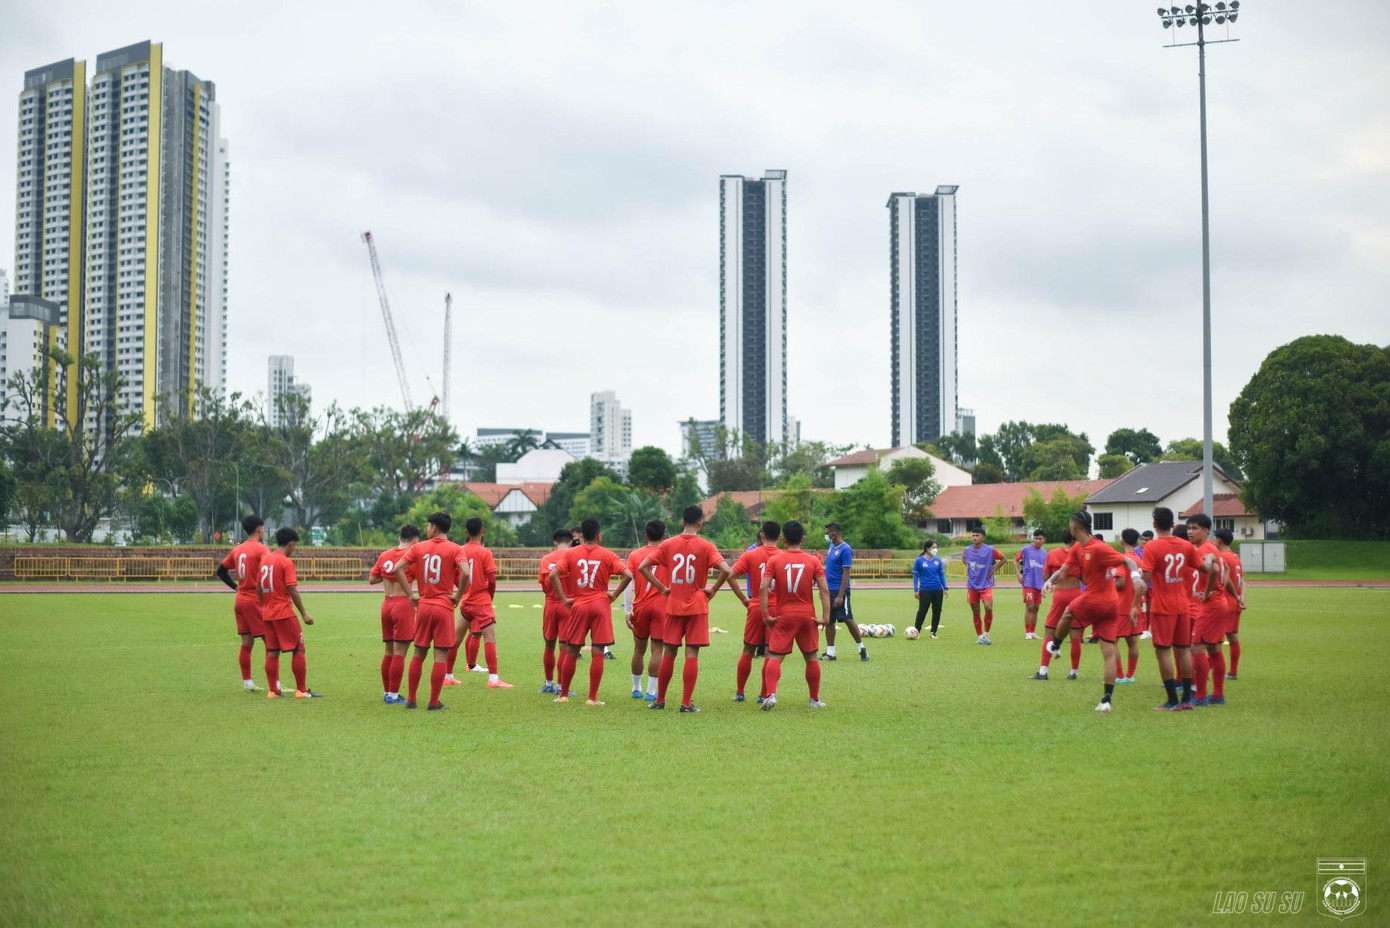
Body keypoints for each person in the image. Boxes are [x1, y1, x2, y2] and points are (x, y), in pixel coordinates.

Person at [639, 505, 734, 711]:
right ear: (700, 523)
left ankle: (660, 700)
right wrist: (713, 589)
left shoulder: (668, 544)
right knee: (691, 653)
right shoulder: (706, 546)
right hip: (697, 604)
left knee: (669, 653)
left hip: (674, 603)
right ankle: (686, 702)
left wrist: (662, 588)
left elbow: (642, 566)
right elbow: (726, 570)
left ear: (682, 522)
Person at [1041, 511, 1136, 713]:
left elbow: (1128, 561)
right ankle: (1106, 699)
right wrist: (1049, 581)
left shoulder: (1099, 547)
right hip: (1112, 605)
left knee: (1068, 613)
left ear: (1074, 526)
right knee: (1109, 651)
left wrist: (1136, 577)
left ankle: (1055, 646)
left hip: (1095, 600)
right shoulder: (1078, 547)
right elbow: (1063, 571)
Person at [549, 518, 632, 706]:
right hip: (600, 604)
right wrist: (615, 595)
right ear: (599, 536)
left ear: (581, 536)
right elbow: (628, 575)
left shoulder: (571, 553)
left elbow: (553, 574)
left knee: (571, 650)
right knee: (598, 651)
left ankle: (563, 695)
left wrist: (564, 599)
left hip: (579, 604)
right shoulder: (607, 554)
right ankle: (592, 698)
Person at [393, 511, 470, 710]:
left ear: (434, 527)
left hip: (424, 606)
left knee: (418, 654)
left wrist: (411, 595)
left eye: (428, 526)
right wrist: (458, 596)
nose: (427, 529)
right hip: (444, 607)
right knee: (440, 656)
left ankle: (411, 699)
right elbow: (466, 573)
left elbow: (397, 568)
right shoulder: (455, 548)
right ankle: (434, 702)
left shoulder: (418, 548)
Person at [759, 520, 832, 710]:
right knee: (811, 657)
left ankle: (771, 695)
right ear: (803, 539)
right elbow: (824, 589)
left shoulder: (775, 560)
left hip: (784, 616)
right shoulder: (813, 561)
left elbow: (763, 587)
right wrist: (826, 617)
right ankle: (814, 700)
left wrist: (765, 614)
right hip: (808, 616)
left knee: (775, 656)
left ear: (783, 539)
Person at [1139, 507, 1198, 710]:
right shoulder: (1186, 545)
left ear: (1154, 525)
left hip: (1162, 607)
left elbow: (1146, 577)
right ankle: (1187, 699)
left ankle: (1173, 700)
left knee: (1163, 652)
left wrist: (1135, 599)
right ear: (1173, 524)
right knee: (1183, 651)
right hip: (1183, 605)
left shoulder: (1152, 547)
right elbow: (1203, 567)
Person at [445, 517, 510, 689]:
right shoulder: (485, 552)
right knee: (490, 639)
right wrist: (490, 595)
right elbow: (492, 579)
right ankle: (494, 679)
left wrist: (463, 590)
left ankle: (448, 675)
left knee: (456, 640)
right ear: (482, 531)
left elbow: (454, 575)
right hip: (482, 602)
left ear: (466, 532)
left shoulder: (460, 550)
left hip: (466, 602)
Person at [258, 527, 322, 699]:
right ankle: (301, 690)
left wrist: (265, 605)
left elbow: (258, 588)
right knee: (299, 648)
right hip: (284, 612)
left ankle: (273, 691)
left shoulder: (265, 560)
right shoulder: (286, 562)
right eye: (295, 546)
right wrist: (304, 613)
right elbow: (292, 589)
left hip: (268, 613)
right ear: (291, 544)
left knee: (272, 651)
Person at [728, 521, 782, 702]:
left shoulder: (751, 554)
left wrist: (744, 599)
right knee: (770, 652)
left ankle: (740, 693)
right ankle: (763, 694)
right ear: (780, 537)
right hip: (776, 609)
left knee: (748, 650)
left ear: (762, 536)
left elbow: (731, 576)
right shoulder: (783, 556)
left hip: (756, 606)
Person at [216, 515, 270, 692]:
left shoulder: (237, 549)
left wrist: (235, 587)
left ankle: (247, 682)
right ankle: (274, 684)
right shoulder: (262, 549)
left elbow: (221, 571)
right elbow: (268, 574)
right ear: (259, 529)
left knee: (247, 642)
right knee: (270, 641)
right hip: (254, 600)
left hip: (240, 600)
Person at [368, 524, 420, 704]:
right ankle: (393, 695)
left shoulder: (385, 555)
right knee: (400, 652)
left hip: (387, 604)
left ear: (400, 538)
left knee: (389, 651)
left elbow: (372, 579)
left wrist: (388, 576)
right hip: (403, 604)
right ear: (415, 541)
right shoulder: (411, 558)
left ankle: (387, 692)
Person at [623, 519, 669, 701]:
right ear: (664, 535)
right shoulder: (669, 553)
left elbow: (628, 583)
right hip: (662, 607)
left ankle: (636, 688)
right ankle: (651, 691)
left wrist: (627, 610)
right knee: (657, 650)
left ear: (645, 536)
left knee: (639, 649)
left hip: (640, 606)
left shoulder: (635, 555)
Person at [1186, 513, 1228, 706]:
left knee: (1196, 648)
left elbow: (1215, 570)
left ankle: (1200, 696)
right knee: (1214, 648)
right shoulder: (1212, 547)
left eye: (1195, 528)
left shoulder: (1204, 549)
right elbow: (1224, 569)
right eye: (1189, 528)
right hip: (1220, 602)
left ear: (1205, 531)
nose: (1190, 532)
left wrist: (1208, 591)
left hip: (1211, 604)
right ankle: (1217, 695)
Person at [1030, 530, 1083, 680]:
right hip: (1076, 594)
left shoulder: (1053, 553)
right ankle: (1073, 672)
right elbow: (1085, 577)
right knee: (1075, 634)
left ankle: (1043, 671)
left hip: (1060, 595)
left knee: (1049, 631)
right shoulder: (1080, 553)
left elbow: (1045, 576)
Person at [820, 523, 867, 662]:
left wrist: (840, 595)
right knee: (829, 621)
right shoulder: (831, 546)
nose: (825, 535)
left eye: (826, 533)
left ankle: (862, 649)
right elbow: (829, 568)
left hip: (840, 590)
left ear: (833, 534)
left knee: (847, 619)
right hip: (829, 589)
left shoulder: (845, 549)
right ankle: (831, 653)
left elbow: (846, 573)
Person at [537, 528, 575, 694]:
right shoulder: (574, 557)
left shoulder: (545, 559)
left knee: (549, 644)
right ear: (571, 541)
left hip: (550, 605)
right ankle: (561, 687)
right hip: (568, 604)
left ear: (554, 542)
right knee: (564, 646)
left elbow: (543, 585)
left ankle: (548, 683)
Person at [962, 529, 1006, 644]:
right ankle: (980, 636)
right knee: (976, 611)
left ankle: (986, 633)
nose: (974, 537)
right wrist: (970, 567)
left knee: (988, 607)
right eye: (973, 535)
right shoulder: (967, 550)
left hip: (985, 584)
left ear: (983, 538)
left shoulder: (990, 550)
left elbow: (1003, 559)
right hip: (972, 585)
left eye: (977, 535)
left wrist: (993, 569)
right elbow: (964, 559)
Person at [1114, 528, 1145, 685]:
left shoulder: (1123, 559)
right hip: (1135, 605)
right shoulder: (1139, 560)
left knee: (1112, 641)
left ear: (1122, 541)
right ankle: (1130, 675)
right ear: (1137, 541)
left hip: (1122, 607)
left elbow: (1120, 583)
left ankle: (1119, 675)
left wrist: (1108, 587)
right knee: (1132, 642)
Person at [1215, 528, 1246, 680]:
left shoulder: (1222, 557)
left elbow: (1225, 581)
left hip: (1226, 603)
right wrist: (1241, 598)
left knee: (1215, 640)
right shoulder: (1235, 557)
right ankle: (1232, 672)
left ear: (1219, 540)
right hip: (1235, 603)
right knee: (1233, 637)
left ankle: (1213, 670)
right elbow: (1243, 581)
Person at [1015, 530, 1048, 639]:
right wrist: (1018, 574)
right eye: (1036, 538)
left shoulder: (1045, 554)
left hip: (1039, 584)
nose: (1037, 541)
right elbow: (1015, 560)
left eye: (1040, 539)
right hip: (1028, 583)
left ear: (1044, 540)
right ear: (1033, 539)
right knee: (1030, 606)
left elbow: (1047, 569)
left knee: (1036, 608)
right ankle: (1027, 632)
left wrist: (1047, 583)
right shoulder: (1025, 550)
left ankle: (1033, 632)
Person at [912, 541, 948, 638]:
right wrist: (916, 590)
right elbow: (915, 576)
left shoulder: (938, 560)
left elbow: (941, 575)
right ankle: (917, 631)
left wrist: (945, 588)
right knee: (922, 610)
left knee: (937, 611)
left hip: (938, 589)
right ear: (927, 549)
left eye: (936, 547)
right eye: (933, 547)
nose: (936, 549)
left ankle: (933, 632)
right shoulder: (919, 560)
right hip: (925, 590)